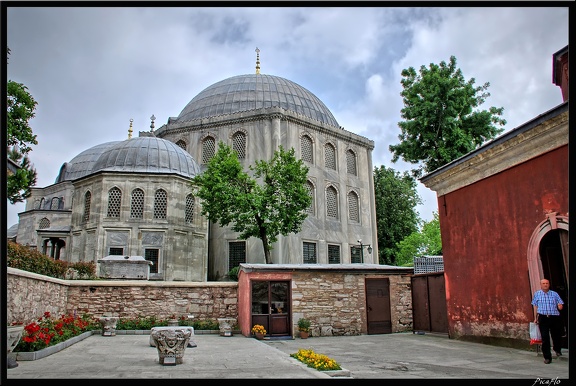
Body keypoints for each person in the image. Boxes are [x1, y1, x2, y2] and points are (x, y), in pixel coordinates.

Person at [531, 278, 564, 364]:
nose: (545, 285)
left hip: (554, 317)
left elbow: (560, 303)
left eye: (547, 283)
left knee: (556, 334)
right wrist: (535, 318)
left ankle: (557, 349)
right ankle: (547, 357)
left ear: (549, 284)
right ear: (541, 285)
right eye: (544, 283)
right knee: (545, 337)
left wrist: (560, 306)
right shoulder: (537, 294)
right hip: (543, 317)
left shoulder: (555, 294)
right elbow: (535, 306)